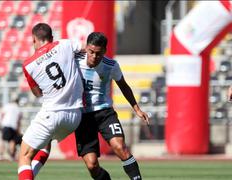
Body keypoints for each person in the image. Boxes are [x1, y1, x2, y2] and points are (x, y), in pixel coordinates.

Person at [74, 32, 150, 180]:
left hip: (104, 113)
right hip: (82, 117)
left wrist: (137, 109)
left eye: (99, 53)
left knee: (120, 147)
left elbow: (124, 86)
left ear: (105, 51)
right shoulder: (74, 60)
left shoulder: (111, 65)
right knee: (92, 165)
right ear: (86, 48)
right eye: (91, 52)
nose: (94, 56)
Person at [17, 23, 84, 180]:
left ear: (34, 39)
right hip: (74, 117)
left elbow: (37, 93)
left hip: (52, 113)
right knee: (45, 145)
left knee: (24, 156)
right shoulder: (65, 44)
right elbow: (87, 49)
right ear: (52, 38)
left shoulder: (28, 64)